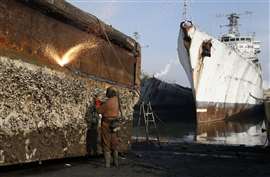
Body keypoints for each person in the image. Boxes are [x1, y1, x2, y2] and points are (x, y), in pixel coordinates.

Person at [96, 86, 120, 168]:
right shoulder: (116, 100)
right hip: (115, 124)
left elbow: (99, 111)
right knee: (114, 142)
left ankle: (107, 164)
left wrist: (98, 104)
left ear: (109, 93)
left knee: (106, 143)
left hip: (106, 124)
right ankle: (116, 163)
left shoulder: (107, 102)